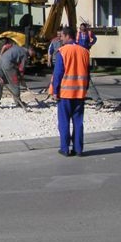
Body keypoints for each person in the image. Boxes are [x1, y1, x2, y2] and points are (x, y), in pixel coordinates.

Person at [49, 26, 90, 157]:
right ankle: (78, 149)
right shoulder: (85, 51)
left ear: (67, 36)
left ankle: (65, 149)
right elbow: (88, 74)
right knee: (78, 122)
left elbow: (58, 73)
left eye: (61, 36)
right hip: (80, 93)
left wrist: (55, 91)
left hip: (65, 93)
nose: (60, 38)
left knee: (64, 122)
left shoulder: (63, 51)